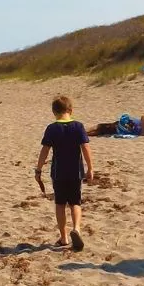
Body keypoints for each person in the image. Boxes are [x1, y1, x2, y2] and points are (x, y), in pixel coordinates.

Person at [36, 95, 94, 251]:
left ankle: (64, 237)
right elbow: (85, 148)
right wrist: (90, 167)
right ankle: (76, 228)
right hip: (76, 172)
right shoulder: (78, 126)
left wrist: (39, 169)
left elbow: (45, 151)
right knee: (76, 202)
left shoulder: (52, 128)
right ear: (71, 110)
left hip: (58, 173)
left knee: (60, 204)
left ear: (54, 112)